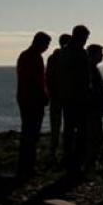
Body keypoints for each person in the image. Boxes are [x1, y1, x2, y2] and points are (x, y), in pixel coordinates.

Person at [15, 31, 51, 178]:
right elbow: (35, 81)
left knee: (28, 132)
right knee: (31, 133)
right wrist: (43, 95)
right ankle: (27, 167)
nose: (47, 47)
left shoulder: (25, 56)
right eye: (46, 44)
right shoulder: (34, 57)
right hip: (32, 100)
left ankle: (26, 165)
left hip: (25, 98)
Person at [60, 25, 92, 172]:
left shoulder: (66, 52)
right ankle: (76, 161)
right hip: (77, 96)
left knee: (70, 130)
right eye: (85, 37)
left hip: (70, 96)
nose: (86, 41)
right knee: (80, 131)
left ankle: (70, 159)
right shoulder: (77, 53)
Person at [85, 43, 103, 171]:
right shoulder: (90, 69)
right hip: (93, 108)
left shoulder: (91, 69)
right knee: (95, 136)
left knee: (96, 136)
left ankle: (90, 162)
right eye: (100, 54)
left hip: (95, 108)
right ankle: (90, 163)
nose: (102, 56)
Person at [45, 33, 70, 165]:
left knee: (56, 127)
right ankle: (62, 154)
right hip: (64, 97)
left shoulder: (52, 58)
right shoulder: (67, 58)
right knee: (66, 127)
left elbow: (48, 78)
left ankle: (53, 154)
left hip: (57, 97)